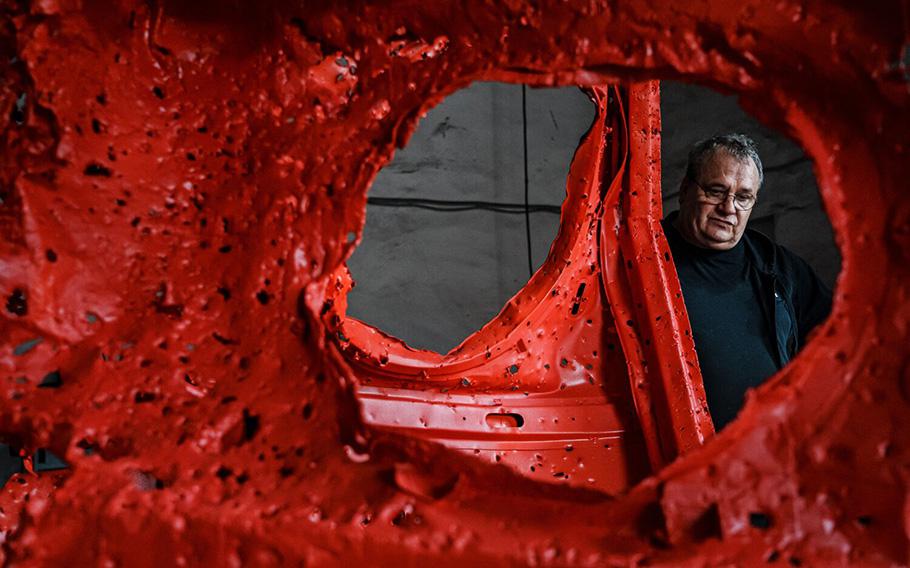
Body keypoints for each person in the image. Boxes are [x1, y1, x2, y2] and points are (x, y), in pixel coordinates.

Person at [662, 134, 832, 429]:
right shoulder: (644, 257)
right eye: (717, 191)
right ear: (686, 189)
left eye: (743, 197)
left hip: (767, 454)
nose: (729, 208)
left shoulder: (776, 266)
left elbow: (838, 334)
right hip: (679, 459)